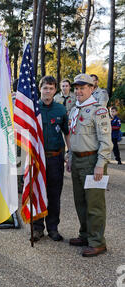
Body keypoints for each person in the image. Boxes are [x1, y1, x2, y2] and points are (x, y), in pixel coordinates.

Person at [67, 73, 113, 257]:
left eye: (82, 87)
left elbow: (106, 141)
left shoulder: (98, 110)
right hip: (78, 160)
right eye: (76, 88)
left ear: (92, 89)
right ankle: (85, 234)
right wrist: (70, 157)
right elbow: (72, 137)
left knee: (94, 203)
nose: (78, 91)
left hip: (92, 161)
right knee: (80, 202)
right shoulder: (74, 109)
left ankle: (97, 242)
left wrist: (101, 164)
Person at [32, 76, 70, 242]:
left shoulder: (60, 110)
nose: (48, 91)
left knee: (54, 195)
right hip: (37, 159)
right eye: (45, 88)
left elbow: (66, 132)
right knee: (37, 193)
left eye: (51, 88)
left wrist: (69, 153)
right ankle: (37, 228)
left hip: (55, 158)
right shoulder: (32, 108)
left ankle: (53, 228)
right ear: (40, 89)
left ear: (55, 90)